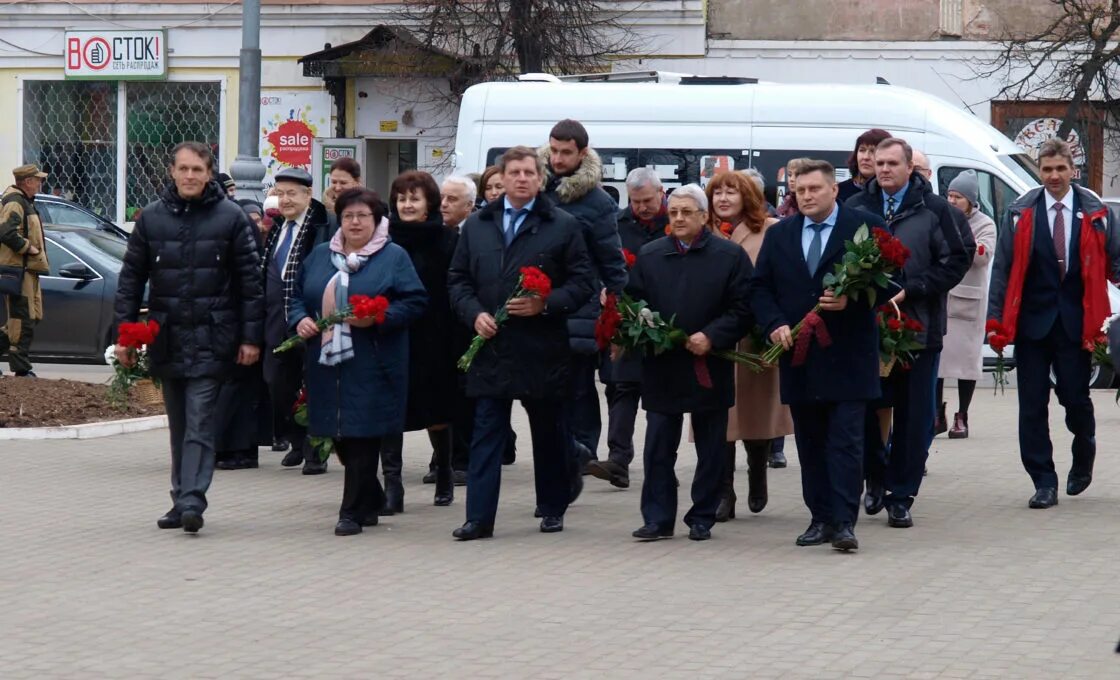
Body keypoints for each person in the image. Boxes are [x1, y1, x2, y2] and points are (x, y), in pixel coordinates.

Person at [114, 141, 264, 534]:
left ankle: (193, 499)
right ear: (172, 171)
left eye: (197, 169)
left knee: (200, 422)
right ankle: (180, 499)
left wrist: (251, 338)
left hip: (214, 336)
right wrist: (126, 337)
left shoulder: (231, 218)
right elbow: (131, 280)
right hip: (168, 337)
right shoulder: (152, 219)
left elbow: (251, 284)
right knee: (179, 424)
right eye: (183, 169)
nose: (190, 176)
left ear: (210, 173)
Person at [447, 145, 595, 540]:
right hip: (491, 346)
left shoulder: (562, 224)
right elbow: (458, 279)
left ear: (540, 178)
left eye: (529, 172)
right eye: (514, 172)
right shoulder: (478, 224)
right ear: (502, 177)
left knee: (548, 431)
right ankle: (479, 518)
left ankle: (552, 506)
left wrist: (545, 305)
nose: (522, 179)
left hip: (542, 347)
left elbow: (583, 283)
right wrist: (473, 312)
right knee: (486, 434)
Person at [751, 159, 886, 551]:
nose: (806, 196)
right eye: (800, 190)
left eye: (815, 189)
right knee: (810, 442)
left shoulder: (864, 228)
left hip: (848, 356)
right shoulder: (781, 235)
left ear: (833, 189)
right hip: (800, 356)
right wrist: (774, 323)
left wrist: (854, 298)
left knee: (845, 441)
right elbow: (760, 288)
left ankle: (844, 522)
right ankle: (820, 518)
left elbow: (893, 279)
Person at [988, 138, 1120, 509]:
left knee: (1075, 399)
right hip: (1031, 323)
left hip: (1077, 323)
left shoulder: (1096, 211)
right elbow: (1003, 268)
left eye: (1060, 169)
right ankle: (1043, 480)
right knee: (1031, 405)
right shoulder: (1020, 212)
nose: (1054, 176)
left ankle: (1084, 451)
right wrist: (995, 321)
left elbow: (1117, 260)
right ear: (1040, 171)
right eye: (1047, 169)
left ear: (1073, 170)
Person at [845, 138, 970, 528]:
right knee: (863, 407)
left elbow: (957, 258)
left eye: (891, 163)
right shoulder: (856, 207)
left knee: (915, 418)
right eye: (878, 163)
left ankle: (901, 495)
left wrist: (912, 288)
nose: (882, 169)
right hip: (867, 328)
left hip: (919, 327)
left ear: (909, 168)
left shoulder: (935, 209)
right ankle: (876, 475)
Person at [290, 187, 428, 535]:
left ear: (377, 220)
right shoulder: (322, 254)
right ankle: (372, 497)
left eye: (362, 216)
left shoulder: (393, 256)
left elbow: (414, 302)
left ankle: (349, 511)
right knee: (337, 433)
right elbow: (295, 296)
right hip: (326, 361)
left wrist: (379, 317)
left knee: (363, 433)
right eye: (348, 215)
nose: (354, 222)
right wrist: (299, 319)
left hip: (374, 360)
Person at [627, 184, 753, 542]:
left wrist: (713, 335)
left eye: (687, 212)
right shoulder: (651, 255)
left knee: (712, 446)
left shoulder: (729, 256)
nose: (679, 218)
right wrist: (644, 328)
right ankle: (657, 518)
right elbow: (633, 302)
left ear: (703, 216)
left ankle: (703, 515)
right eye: (674, 213)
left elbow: (743, 308)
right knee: (658, 446)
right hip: (663, 366)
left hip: (709, 363)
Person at [540, 119, 627, 496]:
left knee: (578, 387)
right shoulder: (534, 186)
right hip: (535, 304)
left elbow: (610, 257)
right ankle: (563, 455)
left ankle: (582, 454)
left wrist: (618, 303)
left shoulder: (597, 201)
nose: (558, 159)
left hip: (579, 306)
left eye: (566, 152)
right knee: (543, 391)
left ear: (582, 153)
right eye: (554, 150)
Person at [705, 170, 793, 522]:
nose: (723, 199)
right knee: (719, 418)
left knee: (752, 415)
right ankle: (724, 491)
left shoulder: (769, 230)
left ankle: (758, 467)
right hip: (714, 338)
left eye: (731, 192)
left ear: (748, 197)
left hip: (753, 340)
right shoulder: (702, 231)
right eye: (717, 193)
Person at [379, 171, 458, 513]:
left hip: (435, 336)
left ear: (429, 204)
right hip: (392, 333)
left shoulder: (447, 239)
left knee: (435, 411)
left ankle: (444, 471)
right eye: (401, 199)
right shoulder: (381, 240)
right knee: (389, 410)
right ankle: (393, 487)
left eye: (414, 198)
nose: (407, 205)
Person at [587, 167, 668, 490]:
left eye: (647, 200)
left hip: (664, 318)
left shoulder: (675, 222)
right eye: (635, 202)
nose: (642, 207)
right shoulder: (617, 226)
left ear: (661, 193)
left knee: (660, 398)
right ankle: (618, 460)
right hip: (624, 316)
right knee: (621, 387)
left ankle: (661, 464)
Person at [261, 167, 333, 474]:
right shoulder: (277, 228)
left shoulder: (321, 226)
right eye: (280, 193)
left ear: (308, 194)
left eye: (292, 193)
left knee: (316, 385)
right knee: (277, 382)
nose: (285, 200)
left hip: (311, 319)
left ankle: (316, 450)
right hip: (277, 321)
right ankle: (296, 439)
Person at [937, 170, 996, 439]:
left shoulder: (985, 224)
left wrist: (958, 242)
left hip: (968, 301)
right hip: (941, 296)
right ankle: (936, 413)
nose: (951, 201)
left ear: (971, 200)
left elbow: (981, 255)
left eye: (957, 197)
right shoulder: (941, 218)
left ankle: (962, 415)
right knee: (937, 362)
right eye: (949, 195)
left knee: (966, 363)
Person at [0, 164, 50, 378]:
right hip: (18, 270)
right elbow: (5, 231)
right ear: (27, 181)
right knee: (22, 319)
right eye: (37, 180)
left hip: (29, 270)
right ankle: (21, 369)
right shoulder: (15, 202)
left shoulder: (25, 202)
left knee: (31, 316)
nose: (40, 183)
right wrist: (27, 247)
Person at [837, 128, 892, 203]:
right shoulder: (839, 191)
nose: (865, 157)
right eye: (862, 150)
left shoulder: (891, 192)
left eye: (873, 151)